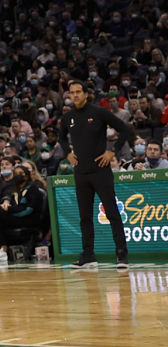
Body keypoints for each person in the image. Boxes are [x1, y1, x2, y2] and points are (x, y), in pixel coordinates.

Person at [58, 79, 133, 269]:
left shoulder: (99, 112)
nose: (75, 95)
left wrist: (112, 151)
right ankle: (88, 255)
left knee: (112, 212)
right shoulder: (68, 117)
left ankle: (121, 254)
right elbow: (61, 138)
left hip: (101, 171)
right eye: (72, 92)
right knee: (84, 217)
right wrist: (67, 153)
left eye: (78, 91)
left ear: (86, 94)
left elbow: (124, 129)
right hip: (81, 172)